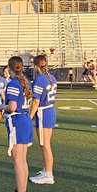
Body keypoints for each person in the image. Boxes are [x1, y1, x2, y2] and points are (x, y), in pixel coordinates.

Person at [2, 55, 32, 192]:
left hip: (18, 121)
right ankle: (22, 191)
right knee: (22, 159)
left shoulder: (14, 83)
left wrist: (2, 107)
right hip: (24, 120)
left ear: (9, 67)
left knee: (18, 160)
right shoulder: (24, 81)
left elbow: (12, 106)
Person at [29, 53, 57, 184]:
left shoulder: (40, 79)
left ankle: (48, 174)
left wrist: (29, 117)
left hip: (43, 113)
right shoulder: (51, 77)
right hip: (50, 110)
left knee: (45, 145)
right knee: (45, 144)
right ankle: (46, 169)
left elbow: (36, 101)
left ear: (36, 66)